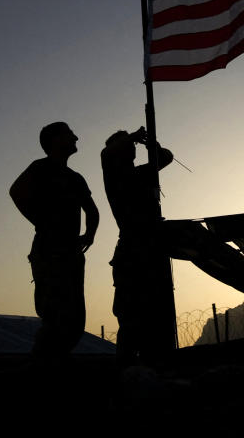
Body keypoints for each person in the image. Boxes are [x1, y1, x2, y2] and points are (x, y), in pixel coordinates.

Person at [10, 121, 98, 365]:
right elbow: (16, 192)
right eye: (70, 134)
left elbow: (91, 210)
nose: (76, 137)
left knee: (74, 318)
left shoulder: (75, 178)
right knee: (55, 313)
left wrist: (89, 234)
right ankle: (44, 366)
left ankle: (55, 361)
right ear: (55, 140)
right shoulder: (40, 168)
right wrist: (41, 221)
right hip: (49, 251)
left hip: (71, 251)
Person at [101, 126, 175, 365]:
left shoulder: (141, 174)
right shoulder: (115, 176)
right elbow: (106, 153)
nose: (131, 148)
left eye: (132, 146)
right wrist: (130, 137)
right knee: (131, 316)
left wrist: (150, 143)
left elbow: (166, 157)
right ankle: (127, 372)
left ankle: (151, 367)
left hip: (152, 248)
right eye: (127, 145)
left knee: (155, 314)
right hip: (132, 250)